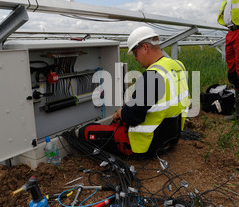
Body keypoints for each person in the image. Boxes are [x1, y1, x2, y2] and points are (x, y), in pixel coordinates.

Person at [80, 26, 191, 157]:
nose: (135, 58)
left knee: (85, 132)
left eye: (135, 53)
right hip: (171, 138)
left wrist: (120, 113)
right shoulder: (178, 65)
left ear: (145, 48)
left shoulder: (153, 76)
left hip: (147, 144)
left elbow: (133, 117)